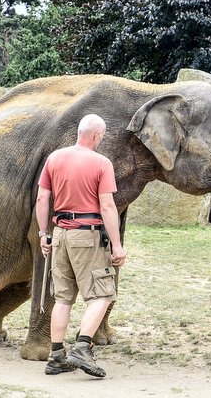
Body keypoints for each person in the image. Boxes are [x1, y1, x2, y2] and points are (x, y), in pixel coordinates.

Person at [36, 114, 127, 378]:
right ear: (97, 135)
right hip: (87, 235)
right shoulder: (101, 163)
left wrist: (44, 234)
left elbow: (43, 198)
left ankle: (56, 357)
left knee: (63, 297)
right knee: (102, 294)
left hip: (60, 233)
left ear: (79, 133)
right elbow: (108, 206)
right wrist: (117, 246)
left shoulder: (55, 158)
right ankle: (82, 347)